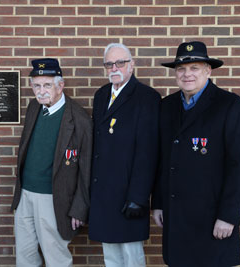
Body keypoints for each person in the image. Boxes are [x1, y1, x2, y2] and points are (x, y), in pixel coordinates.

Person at [152, 41, 240, 267]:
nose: (187, 74)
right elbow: (162, 159)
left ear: (208, 70)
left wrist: (228, 216)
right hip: (176, 217)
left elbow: (239, 166)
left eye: (194, 68)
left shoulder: (230, 106)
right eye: (181, 69)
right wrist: (158, 202)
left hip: (212, 219)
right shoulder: (166, 106)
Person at [10, 58, 92, 267]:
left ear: (60, 85)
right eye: (36, 85)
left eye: (47, 85)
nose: (41, 91)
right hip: (25, 196)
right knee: (24, 256)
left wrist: (79, 208)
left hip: (54, 199)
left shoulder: (79, 119)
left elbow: (87, 169)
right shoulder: (34, 108)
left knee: (56, 259)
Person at [88, 43, 161, 267]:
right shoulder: (101, 95)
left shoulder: (147, 98)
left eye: (120, 62)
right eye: (109, 64)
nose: (114, 68)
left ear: (132, 65)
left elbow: (148, 153)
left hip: (128, 193)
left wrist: (138, 197)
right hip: (103, 192)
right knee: (110, 255)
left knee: (131, 255)